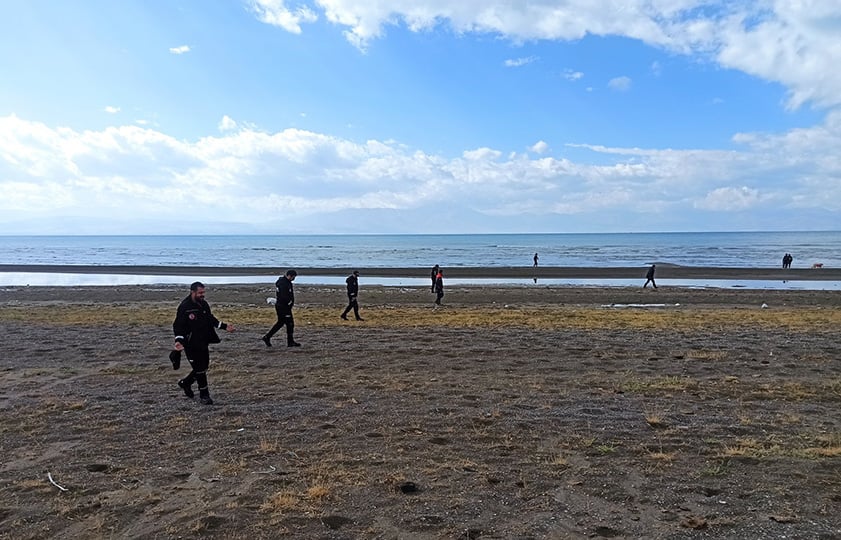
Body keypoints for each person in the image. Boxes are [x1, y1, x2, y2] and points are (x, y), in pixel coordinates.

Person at [172, 281, 235, 405]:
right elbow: (178, 325)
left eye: (203, 292)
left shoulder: (204, 304)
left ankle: (185, 383)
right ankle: (204, 396)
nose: (202, 295)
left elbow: (210, 319)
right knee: (199, 369)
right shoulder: (184, 307)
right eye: (200, 293)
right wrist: (179, 340)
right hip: (190, 343)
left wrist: (224, 326)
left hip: (203, 341)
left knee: (204, 367)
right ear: (193, 292)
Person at [261, 269, 301, 347]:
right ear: (289, 276)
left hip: (284, 306)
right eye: (293, 277)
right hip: (283, 307)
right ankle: (289, 341)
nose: (293, 279)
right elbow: (283, 295)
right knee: (289, 324)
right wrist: (288, 302)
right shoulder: (283, 283)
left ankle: (268, 337)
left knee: (281, 323)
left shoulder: (285, 282)